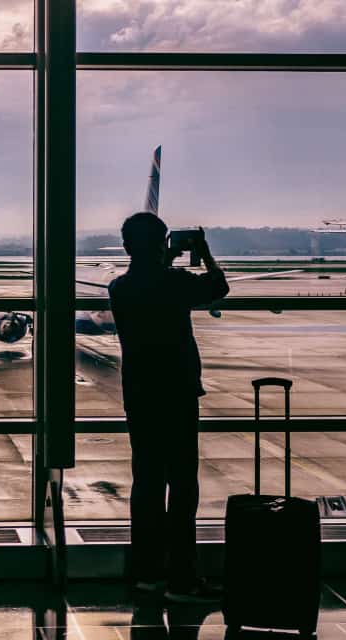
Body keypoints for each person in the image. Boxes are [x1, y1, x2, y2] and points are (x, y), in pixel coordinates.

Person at [108, 212, 229, 602]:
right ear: (162, 244)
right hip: (177, 393)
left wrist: (163, 255)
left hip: (140, 395)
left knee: (146, 484)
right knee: (181, 486)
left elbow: (148, 278)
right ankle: (182, 578)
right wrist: (203, 252)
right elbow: (218, 287)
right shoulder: (175, 282)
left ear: (126, 246)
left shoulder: (119, 288)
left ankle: (147, 573)